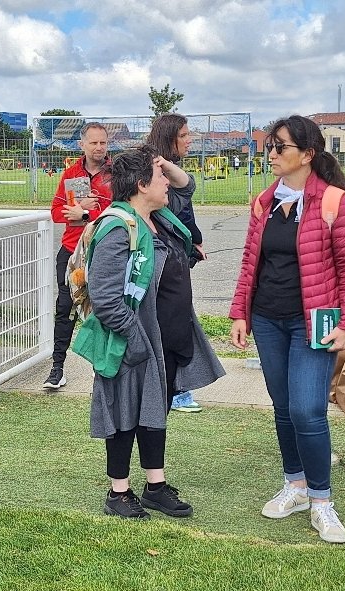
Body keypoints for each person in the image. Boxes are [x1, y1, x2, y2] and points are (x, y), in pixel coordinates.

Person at [229, 115, 345, 544]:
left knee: (308, 410)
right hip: (268, 320)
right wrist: (240, 314)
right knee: (284, 407)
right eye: (269, 146)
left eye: (280, 147)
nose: (271, 154)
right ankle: (296, 485)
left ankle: (322, 500)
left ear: (307, 155)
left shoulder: (334, 202)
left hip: (313, 324)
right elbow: (251, 261)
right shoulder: (263, 203)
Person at [76, 144, 223, 520]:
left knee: (156, 408)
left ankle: (155, 486)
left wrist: (165, 165)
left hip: (166, 338)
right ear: (142, 185)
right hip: (133, 341)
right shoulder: (118, 226)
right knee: (124, 411)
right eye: (158, 177)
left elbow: (185, 188)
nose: (166, 183)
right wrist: (136, 339)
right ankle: (118, 492)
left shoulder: (160, 218)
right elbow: (106, 298)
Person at [44, 122, 113, 389]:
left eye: (103, 143)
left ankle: (102, 369)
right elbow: (54, 212)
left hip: (103, 251)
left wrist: (86, 214)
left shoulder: (114, 175)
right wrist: (75, 208)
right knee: (65, 308)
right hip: (72, 251)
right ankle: (57, 368)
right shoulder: (71, 174)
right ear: (81, 144)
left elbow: (120, 211)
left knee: (103, 309)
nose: (99, 148)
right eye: (93, 143)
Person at [146, 113, 205, 412]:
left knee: (177, 328)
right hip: (160, 271)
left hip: (176, 260)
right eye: (184, 135)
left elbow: (185, 196)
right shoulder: (150, 177)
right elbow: (185, 192)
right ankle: (175, 391)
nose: (189, 139)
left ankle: (176, 388)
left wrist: (193, 238)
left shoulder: (169, 171)